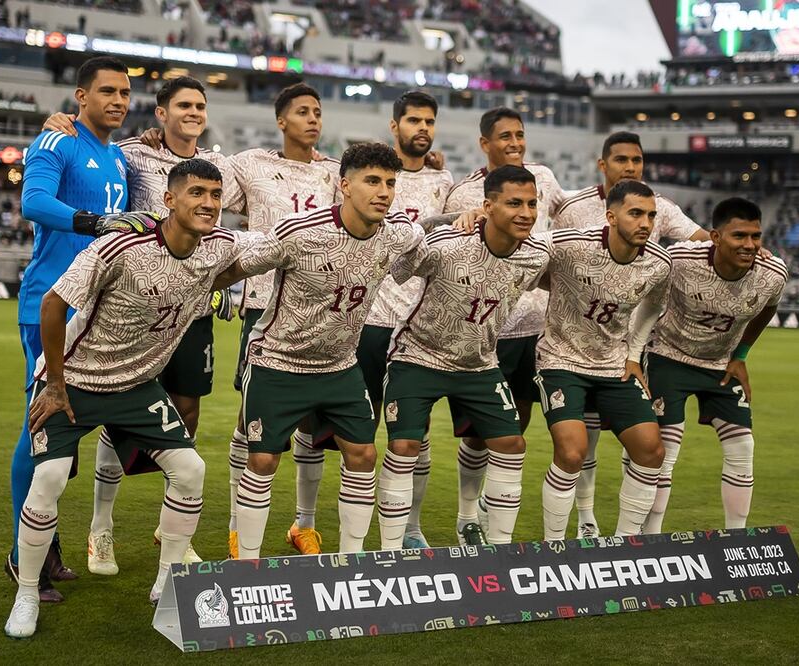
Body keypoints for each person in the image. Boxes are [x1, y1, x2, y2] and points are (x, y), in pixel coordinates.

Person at [5, 158, 255, 638]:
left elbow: (272, 246)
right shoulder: (121, 245)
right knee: (50, 476)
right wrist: (54, 383)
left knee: (191, 470)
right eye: (197, 192)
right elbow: (53, 304)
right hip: (74, 381)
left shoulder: (219, 245)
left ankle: (166, 581)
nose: (208, 203)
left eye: (215, 195)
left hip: (136, 386)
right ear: (169, 199)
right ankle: (27, 594)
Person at [41, 75, 243, 573]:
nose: (193, 113)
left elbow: (257, 209)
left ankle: (169, 530)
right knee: (118, 413)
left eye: (200, 106)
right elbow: (91, 145)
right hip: (133, 310)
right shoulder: (131, 153)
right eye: (183, 105)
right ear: (161, 113)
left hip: (191, 310)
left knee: (187, 412)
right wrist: (62, 122)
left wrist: (224, 283)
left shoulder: (220, 166)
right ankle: (101, 528)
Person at [210, 142, 425, 560]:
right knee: (264, 461)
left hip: (340, 366)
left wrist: (468, 216)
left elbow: (423, 233)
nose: (384, 192)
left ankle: (350, 562)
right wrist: (201, 291)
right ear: (345, 185)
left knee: (363, 454)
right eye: (372, 181)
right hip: (278, 362)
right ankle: (247, 563)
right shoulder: (300, 233)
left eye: (390, 183)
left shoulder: (396, 233)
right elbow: (238, 266)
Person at [8, 56, 157, 602]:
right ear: (81, 96)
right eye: (108, 91)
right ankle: (24, 554)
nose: (118, 101)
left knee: (66, 440)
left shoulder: (118, 156)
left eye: (125, 93)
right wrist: (95, 222)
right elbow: (33, 201)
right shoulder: (58, 140)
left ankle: (47, 545)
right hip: (50, 306)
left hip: (98, 311)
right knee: (40, 427)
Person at [293, 90, 454, 552]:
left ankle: (410, 526)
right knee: (324, 427)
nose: (422, 128)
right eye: (414, 120)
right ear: (394, 125)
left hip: (418, 327)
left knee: (414, 432)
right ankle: (304, 521)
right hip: (366, 318)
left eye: (429, 121)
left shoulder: (444, 179)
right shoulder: (357, 174)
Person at [379, 165, 548, 547]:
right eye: (514, 203)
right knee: (404, 447)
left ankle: (498, 549)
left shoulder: (536, 256)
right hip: (418, 355)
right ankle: (394, 548)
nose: (526, 213)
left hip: (479, 364)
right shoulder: (448, 244)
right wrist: (451, 218)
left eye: (532, 204)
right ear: (488, 206)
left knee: (511, 445)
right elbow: (400, 264)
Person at [552, 130, 705, 538]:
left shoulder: (661, 221)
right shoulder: (572, 214)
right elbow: (542, 260)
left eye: (637, 160)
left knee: (646, 443)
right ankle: (583, 520)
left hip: (627, 349)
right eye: (622, 160)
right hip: (570, 347)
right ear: (603, 165)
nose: (631, 167)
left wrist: (634, 352)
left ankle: (630, 540)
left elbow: (701, 242)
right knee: (581, 440)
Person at [443, 106, 565, 538]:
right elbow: (446, 239)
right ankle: (467, 515)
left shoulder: (544, 178)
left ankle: (487, 509)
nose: (515, 143)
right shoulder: (464, 192)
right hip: (487, 327)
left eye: (519, 134)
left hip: (535, 324)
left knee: (517, 422)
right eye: (505, 136)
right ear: (485, 144)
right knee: (480, 432)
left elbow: (566, 218)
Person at [535, 180, 670, 538]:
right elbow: (522, 250)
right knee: (572, 452)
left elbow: (654, 305)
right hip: (561, 359)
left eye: (651, 215)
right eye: (636, 213)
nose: (645, 223)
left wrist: (634, 355)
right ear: (610, 216)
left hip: (614, 366)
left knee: (651, 450)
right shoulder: (569, 244)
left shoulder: (659, 263)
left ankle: (627, 544)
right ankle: (554, 546)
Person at [643, 197, 787, 532]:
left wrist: (741, 355)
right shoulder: (680, 260)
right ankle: (650, 537)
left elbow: (769, 307)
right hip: (669, 356)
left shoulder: (773, 274)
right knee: (666, 448)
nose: (749, 245)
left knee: (742, 445)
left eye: (755, 236)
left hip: (721, 363)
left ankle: (736, 537)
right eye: (739, 236)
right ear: (716, 237)